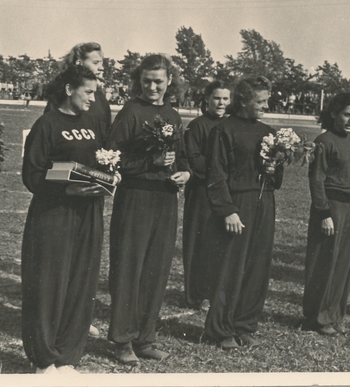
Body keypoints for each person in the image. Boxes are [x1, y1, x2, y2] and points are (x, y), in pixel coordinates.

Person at [21, 66, 110, 374]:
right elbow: (32, 175)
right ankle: (43, 358)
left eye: (95, 92)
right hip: (54, 212)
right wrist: (65, 189)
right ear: (70, 89)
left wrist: (108, 178)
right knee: (49, 283)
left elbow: (102, 161)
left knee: (81, 282)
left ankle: (68, 356)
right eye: (88, 91)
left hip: (89, 212)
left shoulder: (93, 123)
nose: (93, 98)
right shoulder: (46, 124)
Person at [106, 54, 191, 364]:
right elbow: (112, 158)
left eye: (158, 81)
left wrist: (185, 173)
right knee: (129, 269)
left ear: (170, 81)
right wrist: (148, 162)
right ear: (138, 81)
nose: (152, 87)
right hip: (135, 198)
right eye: (146, 81)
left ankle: (145, 338)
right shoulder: (131, 111)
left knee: (156, 270)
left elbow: (181, 156)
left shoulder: (173, 114)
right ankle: (122, 341)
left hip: (165, 199)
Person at [203, 76, 281, 350]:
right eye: (260, 101)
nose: (265, 106)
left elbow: (275, 178)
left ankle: (245, 324)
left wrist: (273, 169)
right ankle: (220, 329)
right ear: (244, 101)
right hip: (237, 203)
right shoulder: (224, 130)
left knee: (258, 266)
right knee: (231, 267)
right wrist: (227, 210)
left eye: (267, 101)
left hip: (264, 201)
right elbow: (216, 173)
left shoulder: (268, 131)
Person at [302, 92, 350, 336]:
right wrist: (324, 212)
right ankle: (317, 317)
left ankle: (335, 314)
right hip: (332, 207)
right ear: (335, 114)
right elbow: (317, 179)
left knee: (343, 264)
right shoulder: (324, 141)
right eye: (347, 115)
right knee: (324, 262)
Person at [182, 80, 231, 310]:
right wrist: (219, 175)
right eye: (216, 98)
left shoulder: (232, 125)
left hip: (226, 192)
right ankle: (197, 294)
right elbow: (194, 159)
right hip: (202, 192)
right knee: (199, 242)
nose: (221, 103)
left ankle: (217, 291)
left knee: (221, 242)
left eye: (225, 98)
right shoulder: (197, 125)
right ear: (207, 100)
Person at [44, 42, 112, 139]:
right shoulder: (61, 95)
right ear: (79, 63)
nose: (101, 68)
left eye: (101, 63)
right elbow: (49, 131)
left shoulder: (100, 99)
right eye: (95, 63)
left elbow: (107, 134)